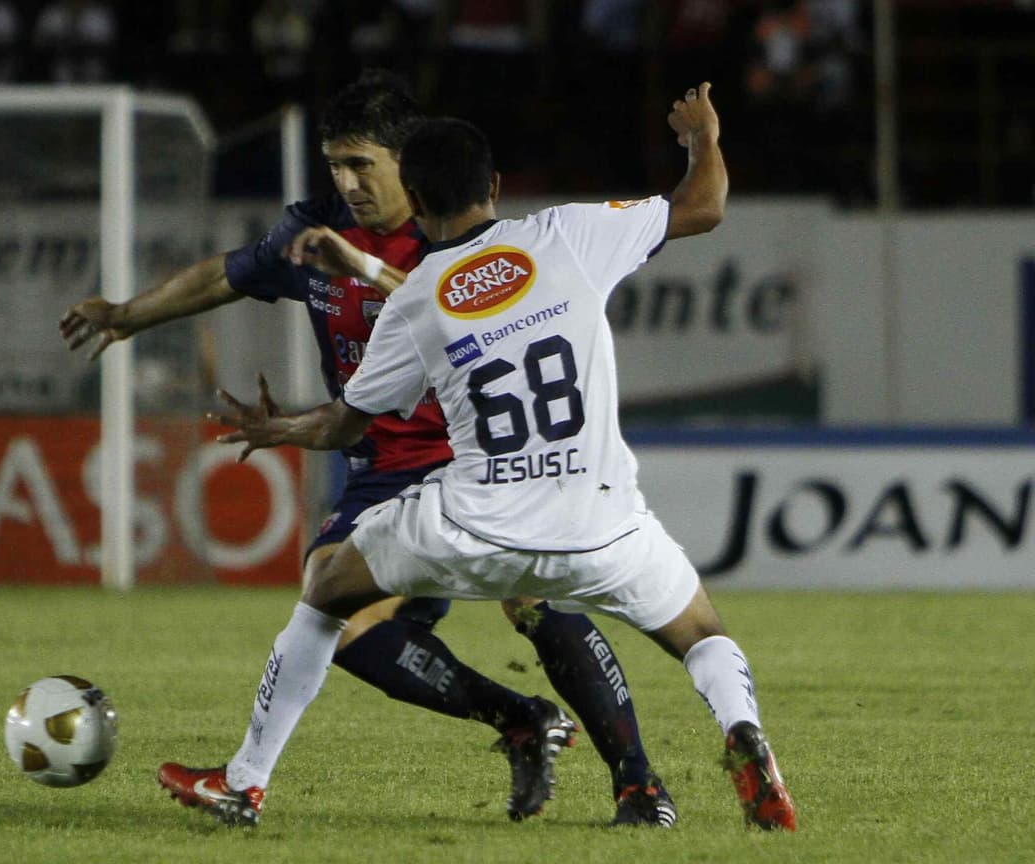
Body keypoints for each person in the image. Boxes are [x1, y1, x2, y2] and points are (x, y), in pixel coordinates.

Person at [60, 71, 674, 826]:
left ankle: (638, 784)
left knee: (528, 596)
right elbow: (226, 275)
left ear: (408, 161)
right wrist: (127, 314)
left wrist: (362, 270)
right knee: (347, 620)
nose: (346, 183)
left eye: (362, 166)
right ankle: (518, 719)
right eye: (336, 166)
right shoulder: (314, 227)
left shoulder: (452, 228)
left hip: (476, 457)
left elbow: (441, 295)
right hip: (381, 468)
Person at [187, 84, 798, 831]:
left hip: (472, 528)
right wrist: (702, 137)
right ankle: (737, 733)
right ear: (497, 187)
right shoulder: (570, 234)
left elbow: (347, 427)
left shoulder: (416, 300)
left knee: (325, 586)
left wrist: (281, 429)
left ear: (414, 194)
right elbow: (703, 205)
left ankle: (245, 782)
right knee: (702, 633)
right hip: (603, 530)